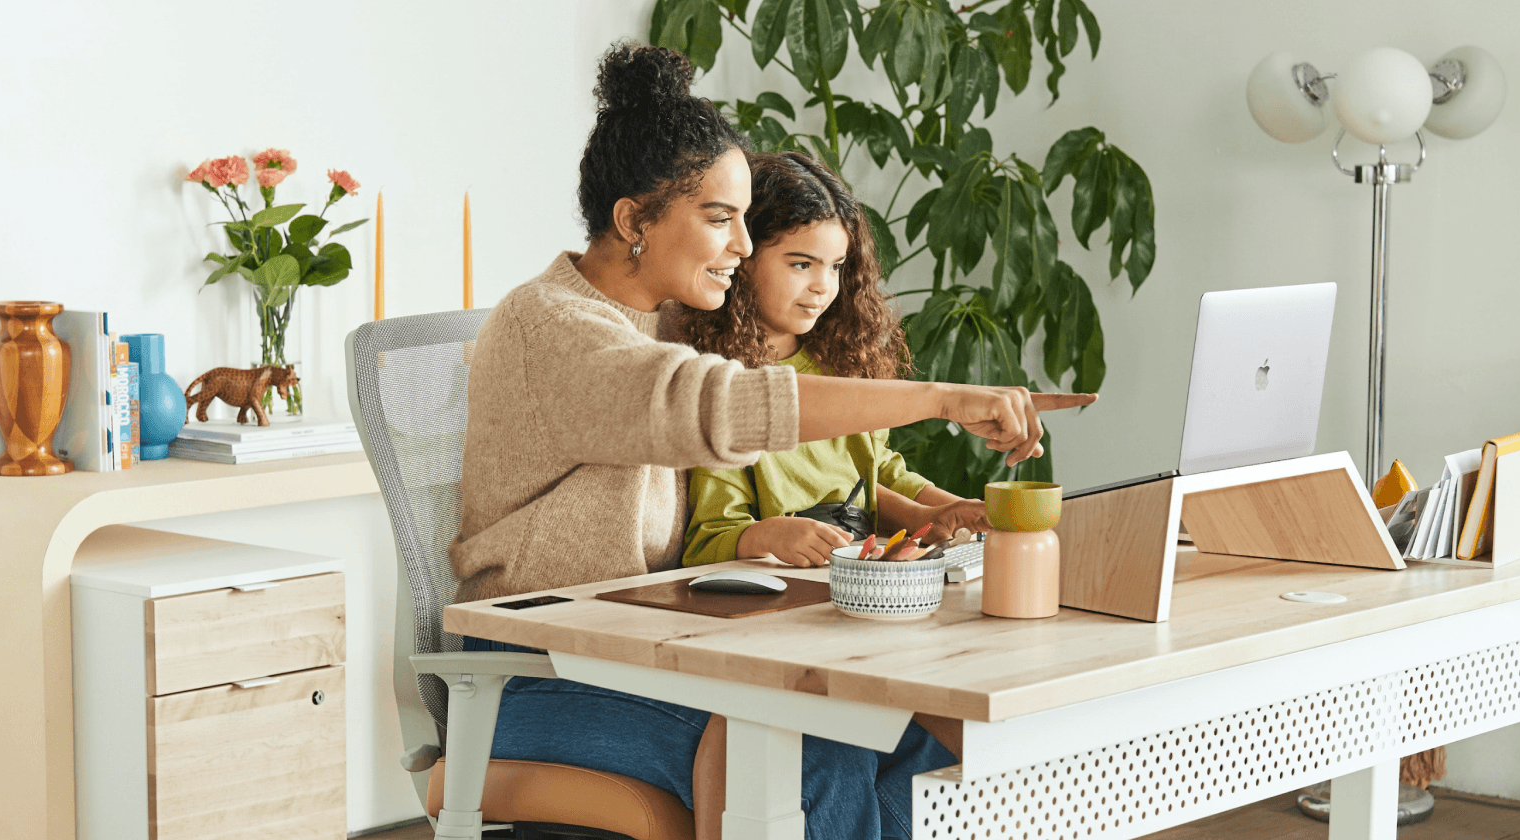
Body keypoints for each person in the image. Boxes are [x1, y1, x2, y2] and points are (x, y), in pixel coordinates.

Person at [452, 42, 1095, 840]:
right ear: (633, 220)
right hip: (540, 671)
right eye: (720, 219)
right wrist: (944, 397)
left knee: (918, 738)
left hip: (645, 640)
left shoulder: (667, 319)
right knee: (811, 742)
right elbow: (715, 406)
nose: (742, 246)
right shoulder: (554, 327)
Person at [676, 151, 993, 569]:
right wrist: (769, 534)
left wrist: (941, 510)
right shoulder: (726, 387)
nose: (823, 287)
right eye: (802, 264)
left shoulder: (840, 363)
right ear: (745, 259)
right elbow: (708, 540)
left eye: (836, 267)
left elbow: (875, 471)